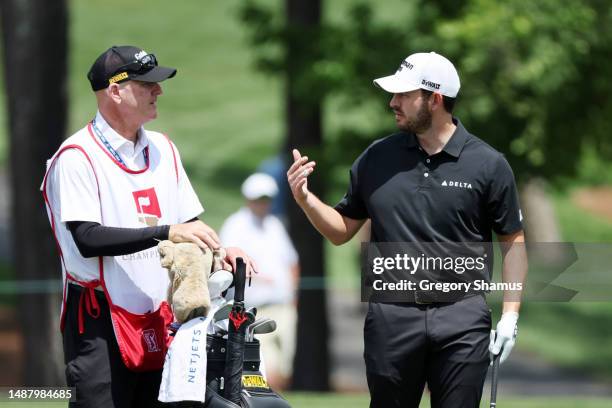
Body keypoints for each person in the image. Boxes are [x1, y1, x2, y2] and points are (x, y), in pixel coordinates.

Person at [287, 51, 527, 408]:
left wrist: (510, 315)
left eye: (403, 95)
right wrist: (306, 200)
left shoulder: (489, 164)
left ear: (435, 98)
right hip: (392, 316)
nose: (392, 103)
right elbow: (340, 231)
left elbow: (513, 242)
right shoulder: (376, 158)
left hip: (462, 317)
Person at [41, 45, 253, 408]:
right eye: (146, 84)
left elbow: (187, 222)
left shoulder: (163, 148)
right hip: (98, 320)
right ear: (115, 91)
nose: (159, 91)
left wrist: (220, 250)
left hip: (160, 315)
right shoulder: (76, 156)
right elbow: (87, 239)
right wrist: (166, 232)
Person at [220, 173, 299, 389]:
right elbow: (228, 264)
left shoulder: (275, 225)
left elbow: (292, 262)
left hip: (283, 305)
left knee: (284, 367)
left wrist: (293, 296)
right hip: (254, 310)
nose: (263, 203)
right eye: (258, 199)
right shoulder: (235, 225)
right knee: (266, 364)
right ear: (248, 198)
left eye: (266, 199)